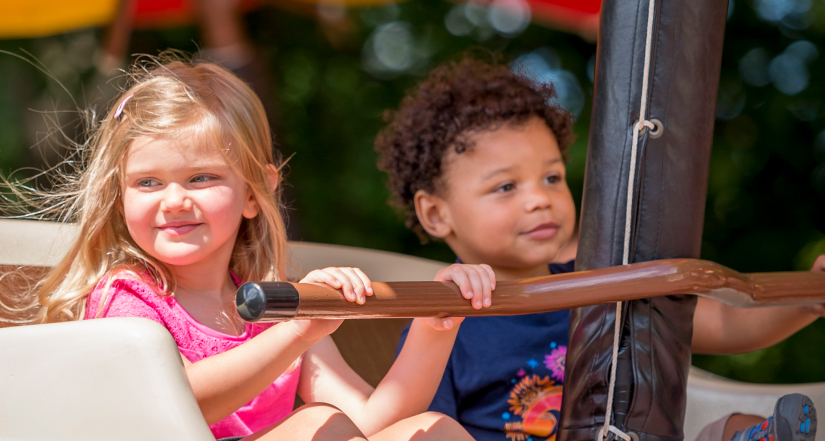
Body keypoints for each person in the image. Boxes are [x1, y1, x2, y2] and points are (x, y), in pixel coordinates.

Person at [374, 57, 825, 441]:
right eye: (506, 187)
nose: (539, 200)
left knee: (735, 425)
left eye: (551, 177)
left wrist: (805, 300)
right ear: (436, 213)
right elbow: (423, 427)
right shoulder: (440, 325)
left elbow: (723, 323)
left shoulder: (601, 282)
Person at [31, 57, 497, 441]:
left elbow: (373, 423)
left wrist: (434, 327)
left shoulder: (276, 305)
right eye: (147, 182)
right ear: (121, 196)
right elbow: (173, 401)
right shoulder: (128, 298)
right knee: (317, 424)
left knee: (433, 430)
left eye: (202, 177)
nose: (174, 201)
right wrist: (297, 333)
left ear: (255, 192)